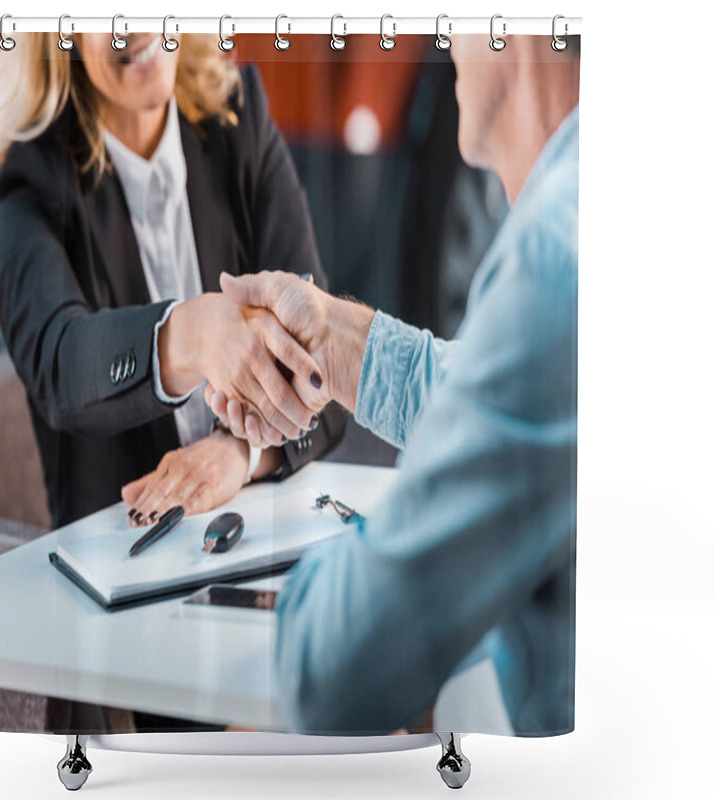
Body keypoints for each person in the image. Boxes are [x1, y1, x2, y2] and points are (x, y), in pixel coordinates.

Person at [204, 33, 580, 734]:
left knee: (254, 745)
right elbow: (510, 393)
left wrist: (318, 574)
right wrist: (332, 335)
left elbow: (337, 669)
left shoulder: (554, 259)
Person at [0, 32, 343, 733]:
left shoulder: (240, 119)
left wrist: (240, 453)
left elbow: (326, 374)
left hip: (271, 579)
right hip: (131, 642)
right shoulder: (33, 179)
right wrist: (190, 333)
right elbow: (61, 363)